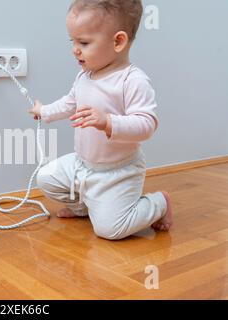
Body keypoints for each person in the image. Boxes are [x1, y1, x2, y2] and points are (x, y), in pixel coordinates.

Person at [29, 0, 173, 240]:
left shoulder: (133, 80)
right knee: (45, 178)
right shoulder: (84, 76)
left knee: (109, 230)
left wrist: (108, 122)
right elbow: (69, 102)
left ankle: (159, 204)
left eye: (83, 43)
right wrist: (44, 111)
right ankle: (83, 208)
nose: (75, 49)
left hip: (118, 171)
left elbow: (146, 125)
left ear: (118, 41)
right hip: (81, 165)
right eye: (72, 41)